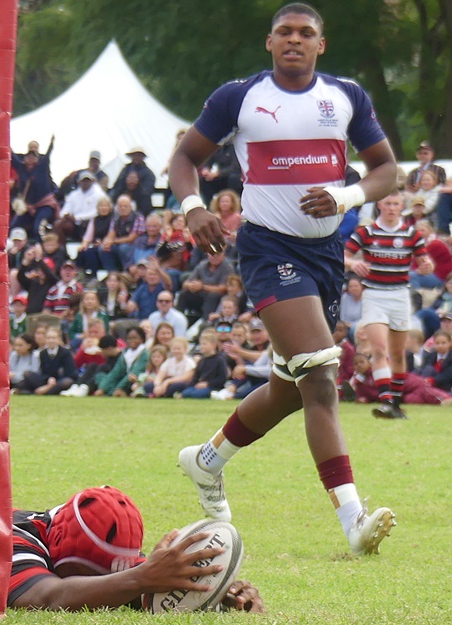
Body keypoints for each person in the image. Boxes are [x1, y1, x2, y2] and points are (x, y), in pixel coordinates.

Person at [168, 3, 399, 555]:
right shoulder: (239, 97)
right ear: (269, 43)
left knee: (289, 391)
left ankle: (207, 461)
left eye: (306, 33)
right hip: (269, 249)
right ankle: (353, 520)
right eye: (285, 33)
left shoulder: (346, 97)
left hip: (326, 254)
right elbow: (184, 158)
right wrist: (193, 207)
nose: (294, 40)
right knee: (321, 378)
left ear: (322, 45)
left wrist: (344, 195)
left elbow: (388, 170)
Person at [9, 485, 263, 612]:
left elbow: (137, 582)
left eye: (112, 574)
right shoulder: (10, 537)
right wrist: (140, 578)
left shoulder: (124, 570)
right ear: (60, 538)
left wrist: (221, 592)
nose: (102, 582)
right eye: (89, 571)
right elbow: (47, 597)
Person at [345, 191, 432, 419]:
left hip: (400, 295)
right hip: (374, 294)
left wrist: (426, 266)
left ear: (402, 206)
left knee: (397, 352)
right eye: (387, 203)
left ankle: (395, 401)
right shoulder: (366, 232)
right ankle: (385, 400)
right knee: (380, 349)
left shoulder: (412, 234)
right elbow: (343, 255)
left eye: (396, 204)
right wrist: (354, 263)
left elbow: (424, 261)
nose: (392, 208)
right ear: (380, 206)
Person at [111, 147, 156, 216]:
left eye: (139, 155)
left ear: (143, 157)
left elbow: (148, 191)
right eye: (135, 155)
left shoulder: (148, 173)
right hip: (124, 198)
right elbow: (117, 185)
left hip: (139, 203)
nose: (137, 157)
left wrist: (136, 185)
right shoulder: (126, 169)